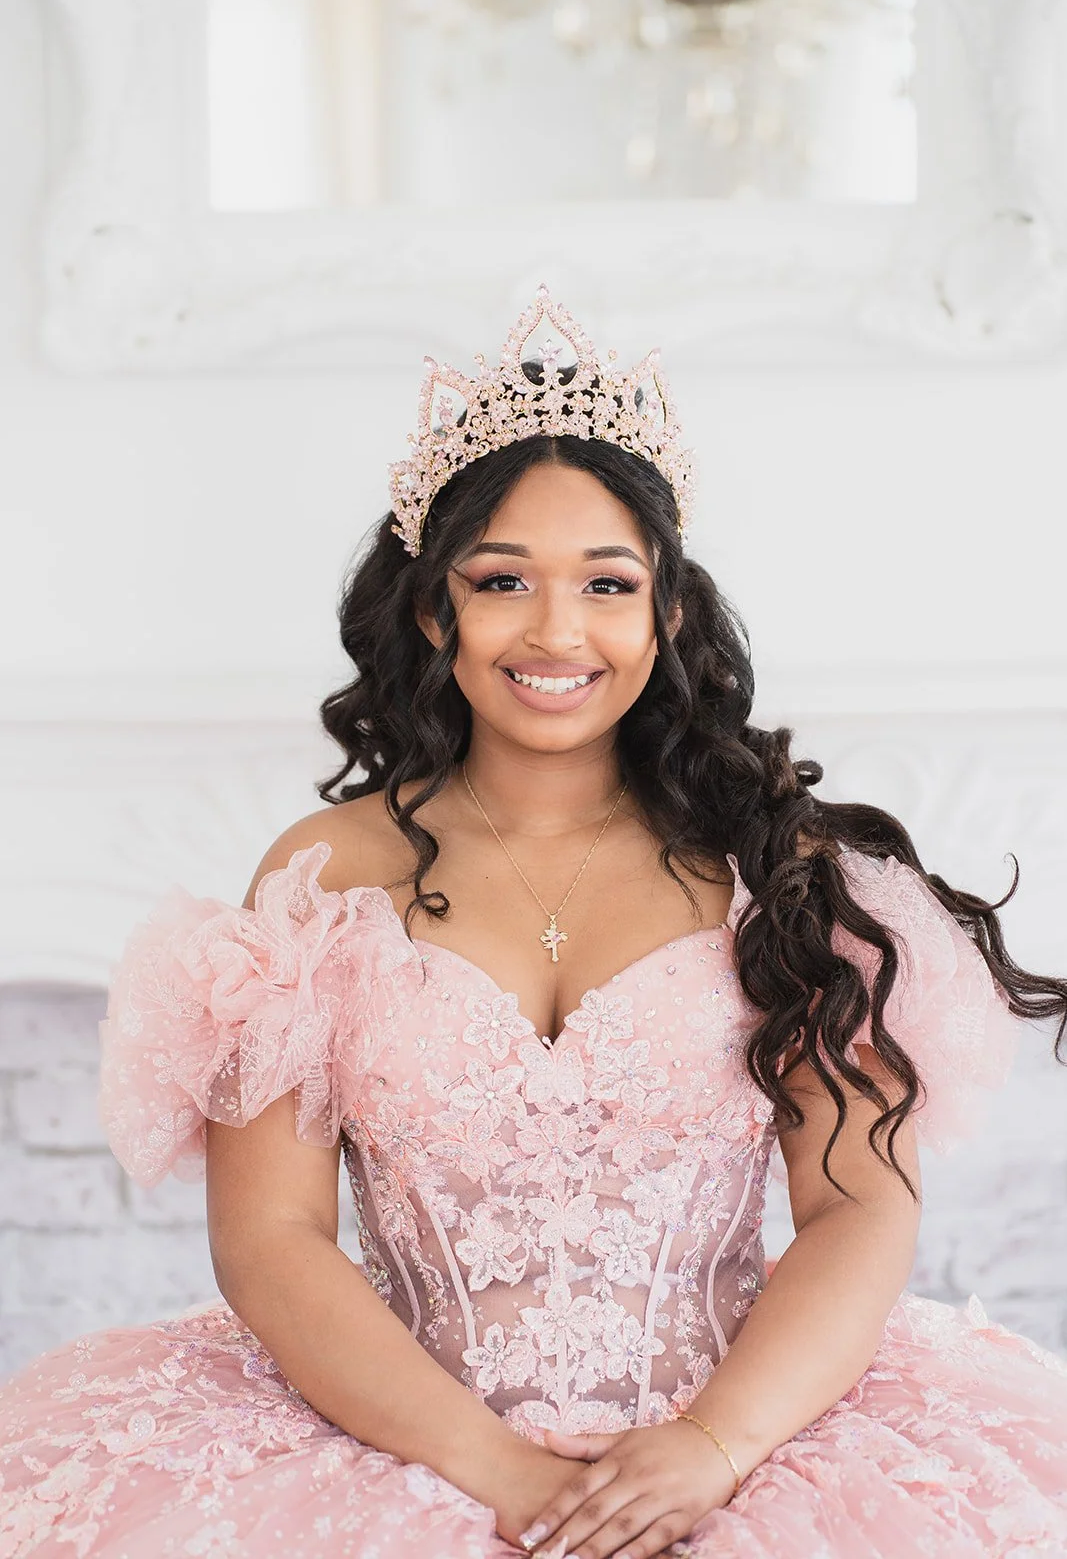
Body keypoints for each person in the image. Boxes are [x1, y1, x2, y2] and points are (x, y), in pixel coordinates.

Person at [2, 288, 1066, 1559]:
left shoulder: (772, 872)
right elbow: (273, 1239)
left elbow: (856, 1210)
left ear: (664, 611)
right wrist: (491, 1470)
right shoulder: (322, 880)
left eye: (604, 583)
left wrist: (712, 1447)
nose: (556, 630)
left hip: (744, 1433)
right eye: (501, 579)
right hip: (404, 1448)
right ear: (432, 610)